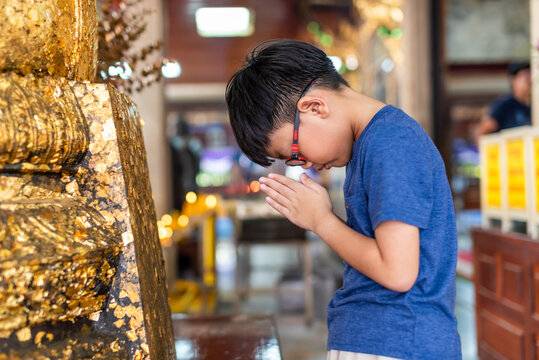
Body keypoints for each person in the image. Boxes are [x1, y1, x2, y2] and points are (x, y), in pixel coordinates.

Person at [225, 39, 461, 360]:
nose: (302, 163)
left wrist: (321, 220)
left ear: (315, 107)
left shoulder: (390, 143)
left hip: (396, 340)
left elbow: (397, 272)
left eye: (292, 153)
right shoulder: (369, 144)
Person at [476, 61, 531, 139]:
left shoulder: (533, 106)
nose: (530, 81)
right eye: (526, 78)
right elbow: (484, 130)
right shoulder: (505, 106)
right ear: (513, 80)